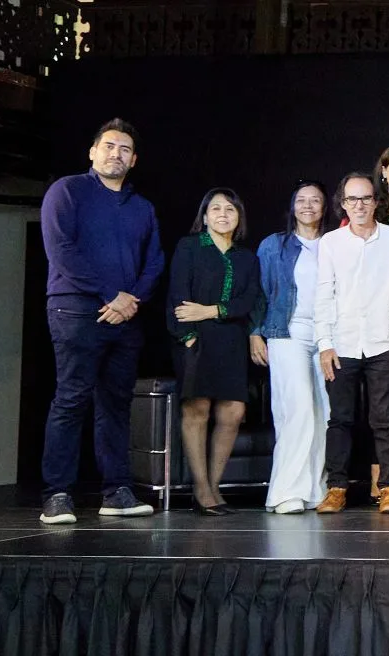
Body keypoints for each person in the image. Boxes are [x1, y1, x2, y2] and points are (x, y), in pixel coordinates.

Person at [39, 118, 163, 524]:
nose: (116, 154)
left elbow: (154, 261)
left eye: (125, 149)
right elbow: (61, 249)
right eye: (109, 146)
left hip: (126, 316)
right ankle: (57, 494)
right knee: (71, 399)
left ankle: (117, 491)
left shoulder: (141, 207)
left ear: (135, 160)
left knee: (116, 404)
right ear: (93, 152)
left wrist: (132, 300)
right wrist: (109, 294)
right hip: (76, 309)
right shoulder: (67, 191)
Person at [315, 172, 389, 513]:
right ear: (342, 204)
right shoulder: (331, 243)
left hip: (383, 343)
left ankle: (387, 487)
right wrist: (325, 343)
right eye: (351, 199)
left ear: (376, 201)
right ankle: (337, 487)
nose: (359, 205)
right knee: (340, 419)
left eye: (365, 198)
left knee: (385, 420)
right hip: (341, 343)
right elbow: (323, 295)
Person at [165, 188, 262, 515]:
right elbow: (178, 296)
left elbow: (248, 301)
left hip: (232, 340)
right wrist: (188, 337)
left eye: (230, 210)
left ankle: (215, 486)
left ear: (239, 217)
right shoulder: (189, 247)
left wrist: (210, 310)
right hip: (195, 340)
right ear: (204, 216)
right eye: (216, 209)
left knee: (232, 413)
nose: (223, 214)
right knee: (197, 411)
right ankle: (201, 488)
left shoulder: (246, 257)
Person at [257, 181, 332, 514]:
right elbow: (260, 293)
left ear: (324, 207)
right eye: (302, 200)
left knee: (325, 414)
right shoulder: (275, 245)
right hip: (287, 331)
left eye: (315, 200)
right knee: (297, 409)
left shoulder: (334, 244)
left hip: (329, 336)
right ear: (292, 207)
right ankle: (286, 492)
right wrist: (255, 333)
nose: (308, 206)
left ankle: (316, 489)